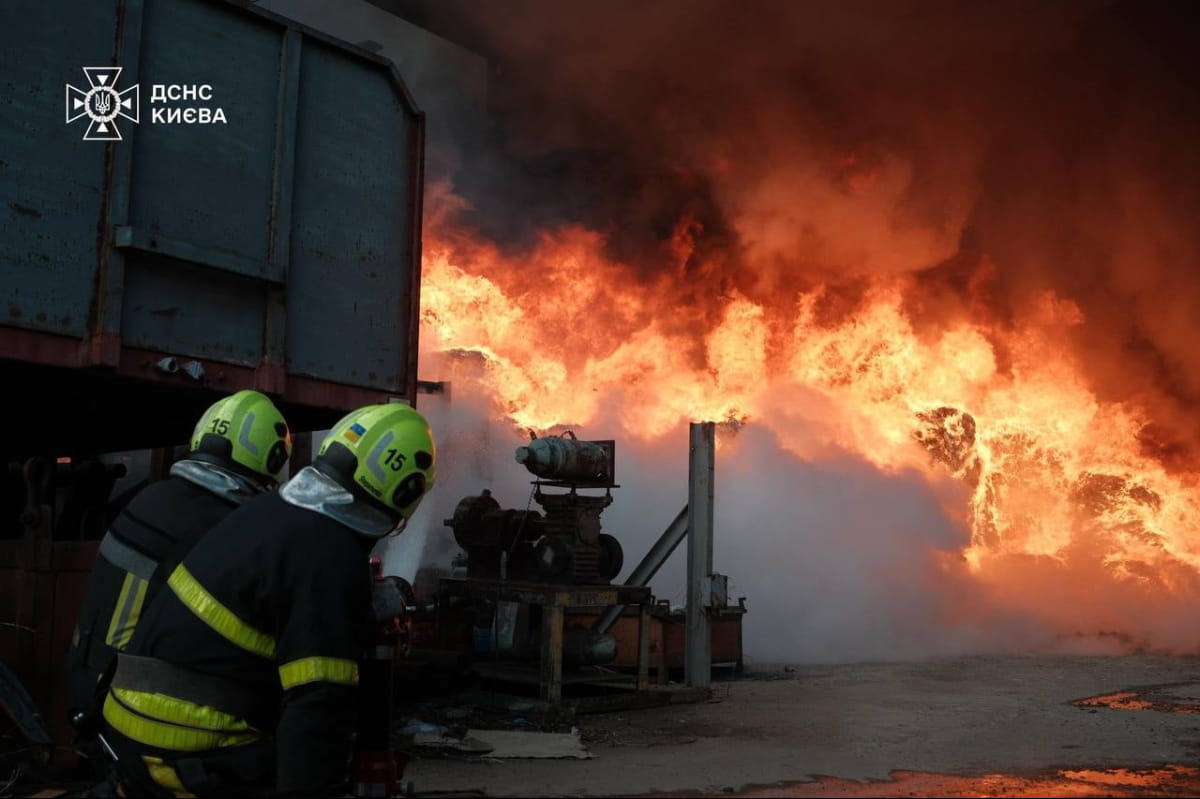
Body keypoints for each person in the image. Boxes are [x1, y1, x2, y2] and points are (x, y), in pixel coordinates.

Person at [97, 402, 437, 797]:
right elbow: (319, 705)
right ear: (407, 489)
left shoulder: (270, 511)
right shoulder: (330, 553)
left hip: (129, 732)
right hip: (181, 747)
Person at [67, 390, 292, 745]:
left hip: (85, 685)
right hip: (130, 709)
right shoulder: (218, 527)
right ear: (271, 458)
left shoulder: (152, 497)